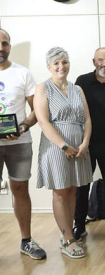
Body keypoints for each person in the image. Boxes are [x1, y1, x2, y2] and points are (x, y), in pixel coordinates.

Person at [34, 47, 93, 259]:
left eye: (64, 62)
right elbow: (42, 120)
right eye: (56, 63)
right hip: (56, 147)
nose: (61, 67)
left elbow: (86, 119)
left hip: (79, 147)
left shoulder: (78, 89)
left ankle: (67, 233)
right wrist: (63, 146)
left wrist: (85, 142)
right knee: (60, 191)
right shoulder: (43, 88)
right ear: (49, 67)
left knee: (73, 189)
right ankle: (68, 238)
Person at [0, 28, 46, 260]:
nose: (1, 48)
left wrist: (23, 127)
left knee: (20, 190)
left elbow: (35, 111)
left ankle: (26, 241)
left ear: (10, 46)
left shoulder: (23, 74)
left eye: (5, 43)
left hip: (19, 142)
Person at [73, 47, 105, 240]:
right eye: (101, 60)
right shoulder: (81, 82)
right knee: (82, 186)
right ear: (94, 61)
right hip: (85, 143)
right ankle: (78, 224)